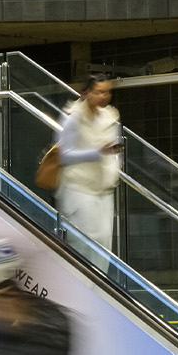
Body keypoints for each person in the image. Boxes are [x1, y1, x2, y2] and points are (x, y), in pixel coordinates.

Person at [55, 75, 124, 258]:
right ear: (87, 92)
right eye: (99, 92)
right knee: (83, 248)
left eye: (107, 92)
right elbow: (63, 155)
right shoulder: (73, 117)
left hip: (104, 190)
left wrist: (114, 165)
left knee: (103, 248)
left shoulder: (110, 116)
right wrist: (97, 153)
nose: (104, 96)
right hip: (79, 189)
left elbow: (116, 149)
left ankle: (98, 279)